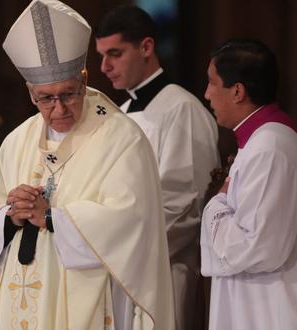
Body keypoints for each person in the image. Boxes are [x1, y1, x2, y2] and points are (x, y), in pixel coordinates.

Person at [0, 1, 174, 329]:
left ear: (84, 79)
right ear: (30, 93)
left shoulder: (122, 138)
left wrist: (51, 217)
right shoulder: (18, 141)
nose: (59, 108)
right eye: (46, 98)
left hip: (88, 296)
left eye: (69, 94)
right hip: (21, 295)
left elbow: (132, 220)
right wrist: (10, 214)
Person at [95, 5, 220, 329]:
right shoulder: (117, 112)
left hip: (163, 270)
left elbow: (184, 204)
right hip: (116, 265)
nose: (104, 66)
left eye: (115, 53)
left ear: (147, 47)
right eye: (102, 55)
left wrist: (120, 245)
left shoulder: (181, 109)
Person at [200, 38, 297, 329]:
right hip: (260, 305)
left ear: (237, 91)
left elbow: (258, 247)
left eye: (212, 82)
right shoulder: (263, 141)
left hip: (272, 312)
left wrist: (216, 206)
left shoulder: (270, 148)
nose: (207, 94)